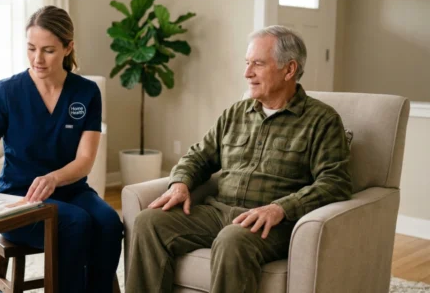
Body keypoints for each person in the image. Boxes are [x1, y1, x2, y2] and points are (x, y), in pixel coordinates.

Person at [126, 25, 353, 292]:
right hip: (218, 212)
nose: (247, 73)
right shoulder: (235, 113)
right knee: (149, 222)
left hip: (273, 223)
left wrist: (280, 208)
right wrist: (181, 183)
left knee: (232, 239)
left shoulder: (322, 120)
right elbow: (199, 155)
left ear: (289, 69)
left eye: (258, 64)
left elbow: (335, 183)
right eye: (247, 63)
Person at [0, 5, 123, 293]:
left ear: (68, 48)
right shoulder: (7, 92)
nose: (37, 59)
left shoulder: (86, 92)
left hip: (73, 191)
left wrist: (54, 178)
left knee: (108, 223)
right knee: (74, 223)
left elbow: (85, 160)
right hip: (19, 199)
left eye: (48, 50)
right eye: (31, 48)